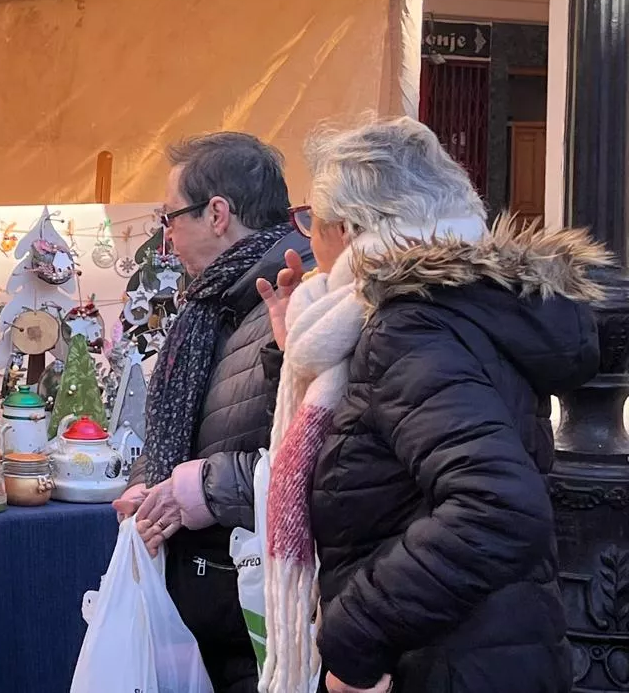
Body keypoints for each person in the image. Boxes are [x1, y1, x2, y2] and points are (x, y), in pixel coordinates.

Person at [256, 117, 601, 693]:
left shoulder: (410, 326)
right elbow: (383, 450)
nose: (304, 237)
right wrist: (294, 358)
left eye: (309, 219)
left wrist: (356, 633)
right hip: (484, 653)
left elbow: (497, 506)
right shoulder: (444, 309)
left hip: (446, 664)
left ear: (350, 227)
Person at [113, 132, 312, 693]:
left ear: (218, 213)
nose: (167, 237)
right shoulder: (213, 306)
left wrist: (195, 490)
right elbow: (186, 435)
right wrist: (149, 487)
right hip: (215, 609)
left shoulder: (291, 300)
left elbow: (319, 462)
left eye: (170, 218)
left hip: (263, 621)